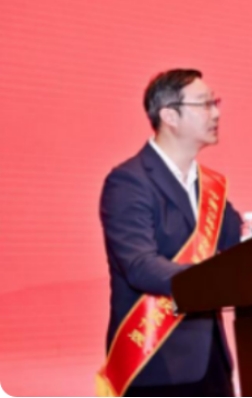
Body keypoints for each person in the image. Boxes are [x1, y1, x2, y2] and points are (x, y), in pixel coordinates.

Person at [96, 69, 242, 397]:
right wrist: (214, 280)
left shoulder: (211, 186)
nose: (216, 113)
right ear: (169, 116)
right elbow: (140, 265)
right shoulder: (129, 181)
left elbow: (239, 250)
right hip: (155, 362)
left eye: (215, 103)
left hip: (212, 363)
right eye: (205, 104)